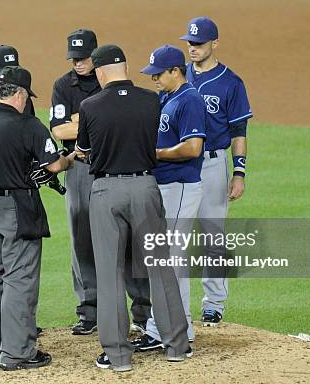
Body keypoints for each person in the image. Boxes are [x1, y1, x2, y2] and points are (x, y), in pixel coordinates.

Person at [75, 44, 191, 372]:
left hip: (106, 192)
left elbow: (83, 151)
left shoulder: (90, 105)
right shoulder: (151, 100)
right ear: (125, 67)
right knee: (160, 267)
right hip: (145, 187)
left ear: (99, 71)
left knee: (110, 273)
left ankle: (118, 356)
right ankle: (177, 347)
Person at [0, 66, 76, 371]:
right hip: (14, 207)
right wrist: (70, 158)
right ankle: (17, 353)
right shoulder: (28, 125)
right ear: (18, 94)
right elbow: (53, 166)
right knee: (19, 278)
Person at [51, 28, 152, 335]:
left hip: (117, 163)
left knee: (131, 239)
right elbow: (59, 132)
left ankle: (143, 311)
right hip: (81, 168)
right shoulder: (62, 85)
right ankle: (89, 310)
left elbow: (99, 123)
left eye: (83, 58)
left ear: (95, 57)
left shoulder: (109, 78)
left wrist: (82, 122)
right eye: (73, 58)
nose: (78, 63)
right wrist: (92, 123)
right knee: (82, 236)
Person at [131, 45, 207, 351]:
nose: (154, 80)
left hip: (180, 186)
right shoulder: (167, 97)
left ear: (176, 70)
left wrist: (156, 154)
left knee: (170, 260)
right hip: (165, 187)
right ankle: (179, 326)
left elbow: (193, 148)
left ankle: (164, 329)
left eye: (158, 74)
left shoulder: (190, 99)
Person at [179, 16, 253, 326]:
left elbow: (238, 132)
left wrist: (239, 173)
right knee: (176, 236)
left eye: (198, 43)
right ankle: (176, 306)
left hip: (211, 164)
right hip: (180, 166)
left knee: (212, 235)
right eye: (190, 43)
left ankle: (214, 303)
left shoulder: (230, 83)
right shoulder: (179, 75)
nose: (193, 48)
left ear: (214, 44)